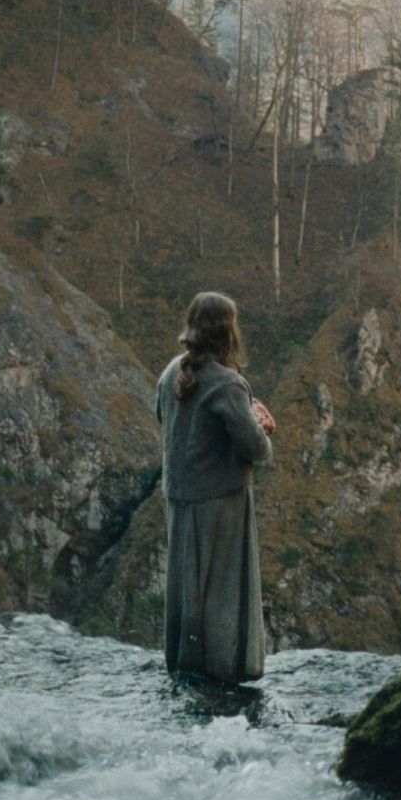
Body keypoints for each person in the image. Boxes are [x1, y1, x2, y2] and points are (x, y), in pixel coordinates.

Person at [155, 291, 276, 682]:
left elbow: (164, 414)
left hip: (179, 496)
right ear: (228, 331)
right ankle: (226, 669)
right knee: (223, 591)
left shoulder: (173, 371)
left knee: (188, 587)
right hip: (220, 500)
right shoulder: (227, 384)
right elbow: (257, 449)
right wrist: (262, 423)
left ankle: (184, 664)